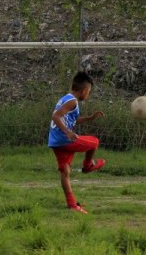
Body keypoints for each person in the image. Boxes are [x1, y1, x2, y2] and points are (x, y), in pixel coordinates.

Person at [48, 71, 106, 214]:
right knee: (94, 142)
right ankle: (87, 165)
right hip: (64, 139)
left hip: (55, 141)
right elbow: (55, 116)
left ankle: (72, 204)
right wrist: (68, 132)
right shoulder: (73, 101)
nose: (88, 94)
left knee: (65, 171)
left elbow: (70, 119)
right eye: (89, 92)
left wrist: (90, 118)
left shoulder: (66, 99)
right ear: (84, 90)